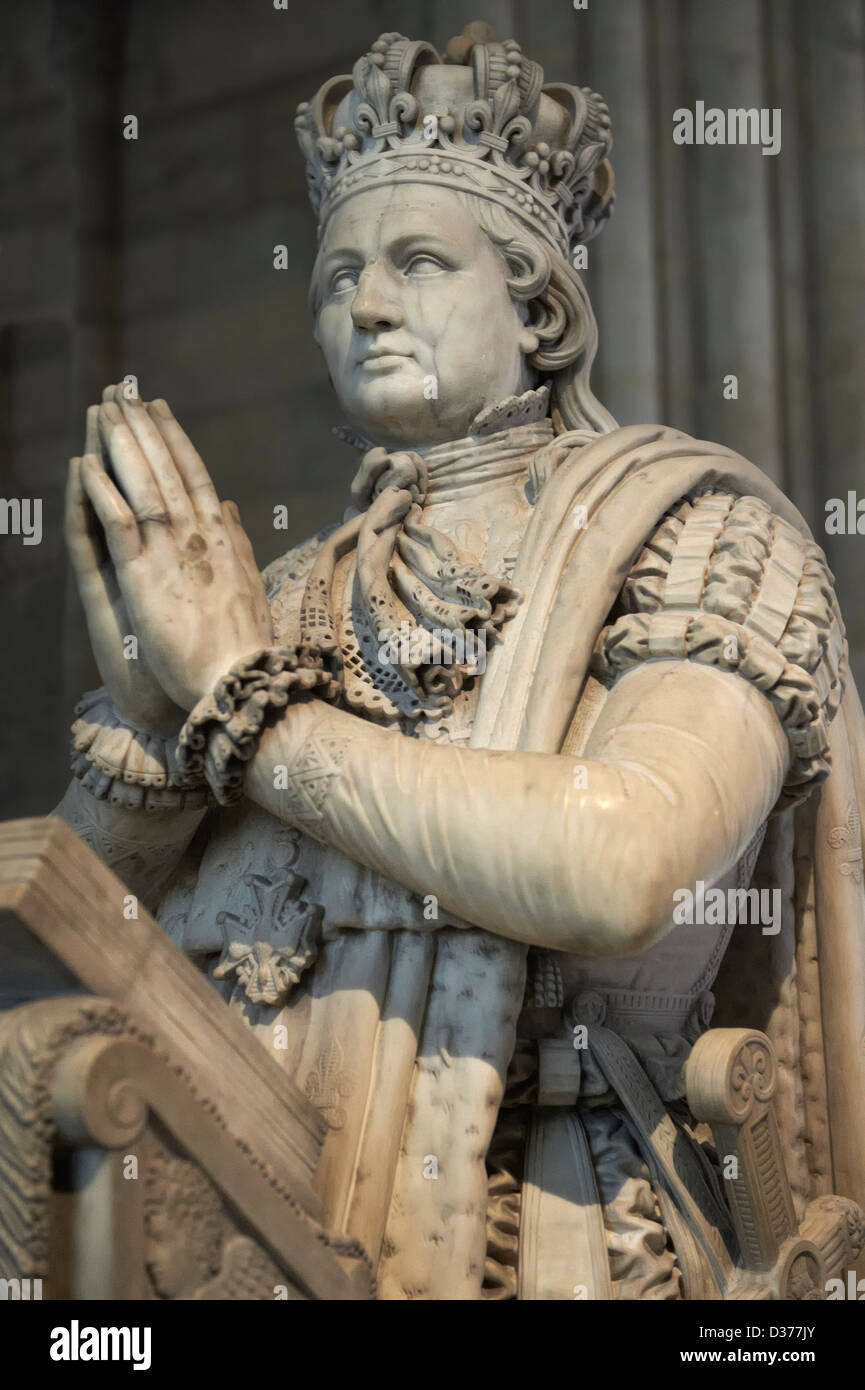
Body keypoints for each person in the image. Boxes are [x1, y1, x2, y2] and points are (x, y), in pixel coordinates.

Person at [56, 24, 865, 1299]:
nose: (364, 304)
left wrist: (246, 717)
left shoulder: (699, 537)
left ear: (539, 304)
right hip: (249, 1225)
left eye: (417, 263)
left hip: (559, 1228)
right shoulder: (262, 604)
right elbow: (66, 948)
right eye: (335, 279)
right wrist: (156, 735)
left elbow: (618, 863)